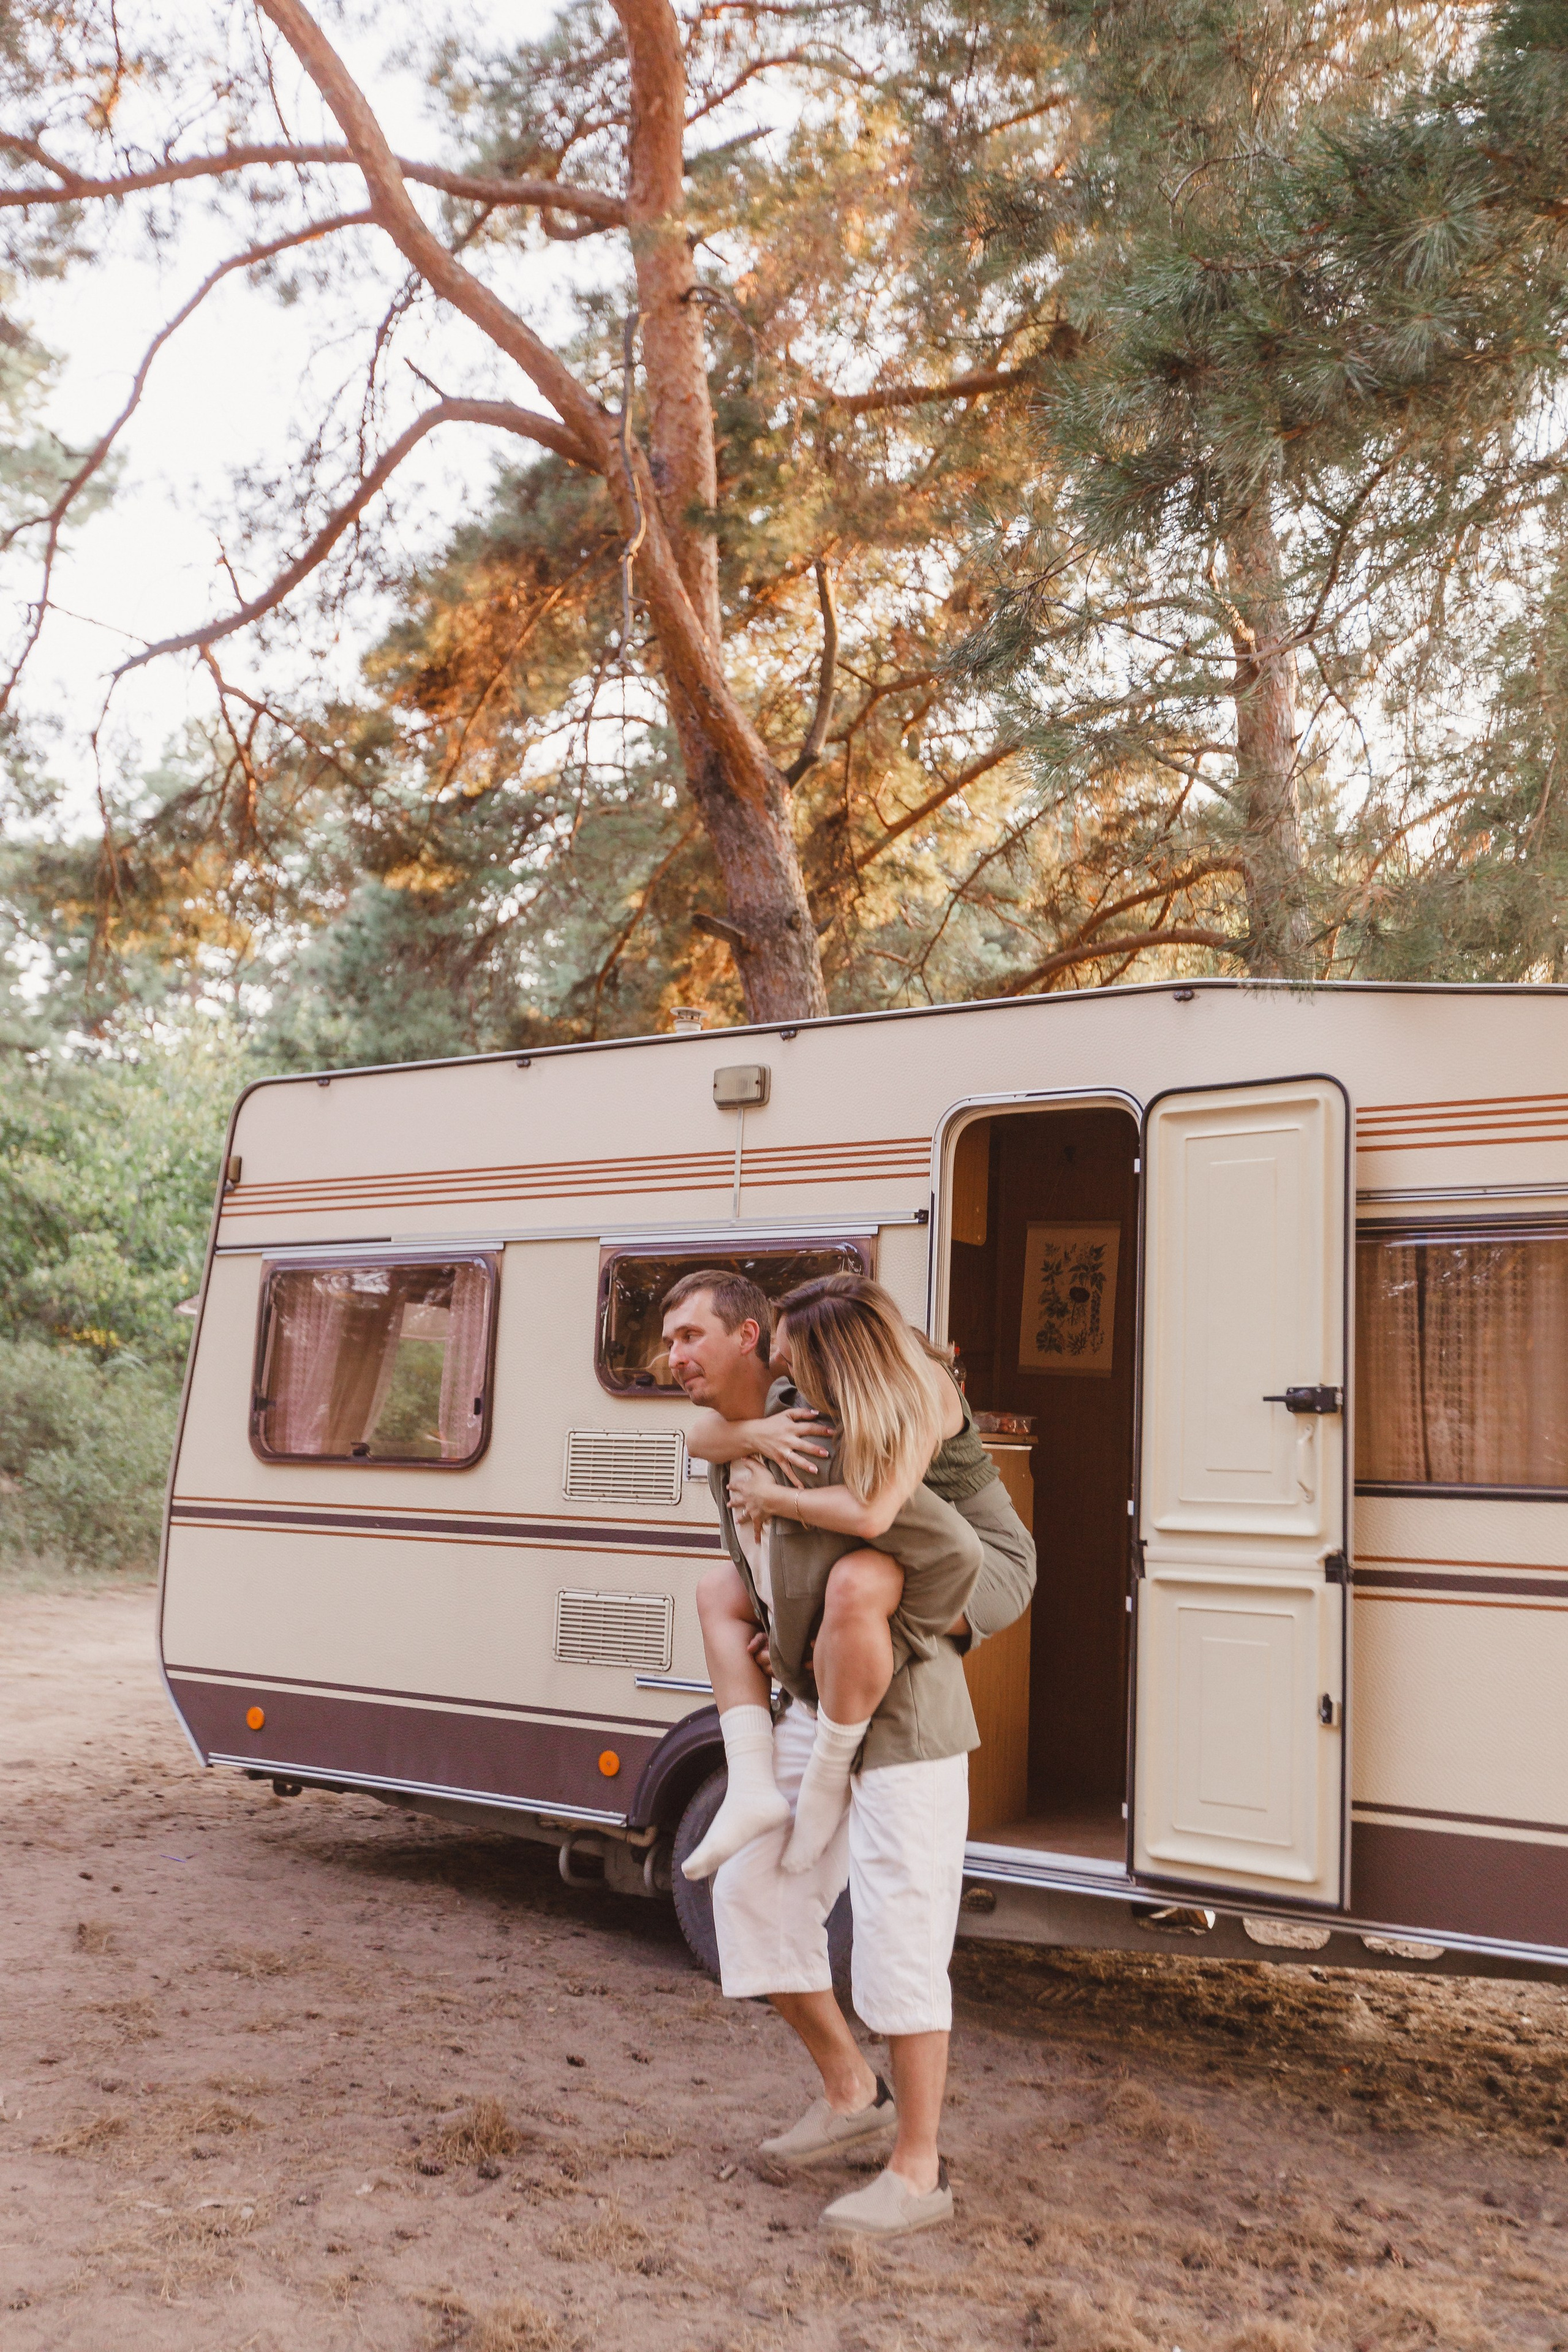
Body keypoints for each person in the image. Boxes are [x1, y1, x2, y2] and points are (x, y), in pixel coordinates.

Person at [660, 1269, 1035, 2239]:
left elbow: (936, 1551)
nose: (675, 1356)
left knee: (900, 1926)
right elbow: (718, 1466)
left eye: (693, 1336)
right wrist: (786, 1637)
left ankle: (917, 2170)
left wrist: (830, 1591)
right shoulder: (780, 1424)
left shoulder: (878, 1423)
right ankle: (849, 2092)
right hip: (821, 1696)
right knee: (750, 1891)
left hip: (907, 1715)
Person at [680, 1273, 1027, 1879]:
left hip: (984, 1558)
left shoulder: (919, 1389)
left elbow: (874, 1514)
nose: (783, 1375)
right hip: (913, 1543)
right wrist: (756, 1432)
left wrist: (775, 1499)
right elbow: (697, 1437)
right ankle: (754, 1785)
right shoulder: (835, 1383)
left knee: (858, 1586)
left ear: (832, 1358)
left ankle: (826, 1775)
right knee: (720, 1590)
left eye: (792, 1363)